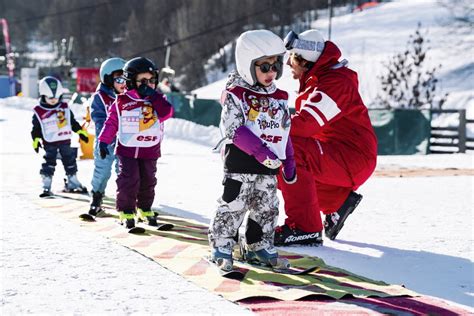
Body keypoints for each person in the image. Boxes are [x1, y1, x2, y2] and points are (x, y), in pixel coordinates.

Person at [274, 29, 377, 246]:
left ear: (305, 59)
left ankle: (305, 227)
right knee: (274, 160)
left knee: (287, 149)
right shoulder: (319, 80)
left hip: (352, 156)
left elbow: (305, 125)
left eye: (291, 57)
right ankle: (337, 202)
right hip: (338, 152)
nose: (288, 64)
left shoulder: (335, 83)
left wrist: (266, 125)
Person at [208, 30, 296, 272]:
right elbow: (234, 129)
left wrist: (288, 161)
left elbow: (284, 130)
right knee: (234, 204)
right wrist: (260, 153)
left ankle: (259, 244)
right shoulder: (236, 94)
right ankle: (222, 244)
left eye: (276, 65)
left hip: (269, 167)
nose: (272, 72)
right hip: (241, 164)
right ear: (247, 65)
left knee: (267, 207)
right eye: (264, 66)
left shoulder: (279, 97)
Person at [98, 57, 174, 229]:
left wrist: (154, 96)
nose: (148, 85)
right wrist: (103, 141)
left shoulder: (157, 100)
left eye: (152, 81)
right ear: (131, 81)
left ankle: (144, 208)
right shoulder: (121, 102)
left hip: (150, 149)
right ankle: (126, 211)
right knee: (129, 180)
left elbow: (167, 113)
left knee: (148, 181)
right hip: (127, 150)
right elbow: (111, 122)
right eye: (143, 81)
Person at [32, 76, 89, 197]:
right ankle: (46, 184)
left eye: (56, 97)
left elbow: (72, 122)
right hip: (49, 142)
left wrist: (80, 132)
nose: (54, 100)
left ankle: (72, 181)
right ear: (43, 95)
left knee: (70, 160)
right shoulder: (39, 110)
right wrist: (36, 140)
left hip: (64, 140)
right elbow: (36, 129)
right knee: (49, 162)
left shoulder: (64, 107)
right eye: (50, 97)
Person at [88, 57, 127, 217]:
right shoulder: (100, 98)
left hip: (124, 143)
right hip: (106, 143)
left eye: (125, 78)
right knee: (102, 172)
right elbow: (99, 120)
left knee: (124, 172)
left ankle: (127, 203)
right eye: (118, 79)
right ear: (108, 79)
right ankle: (96, 198)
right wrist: (106, 137)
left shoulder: (128, 96)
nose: (123, 83)